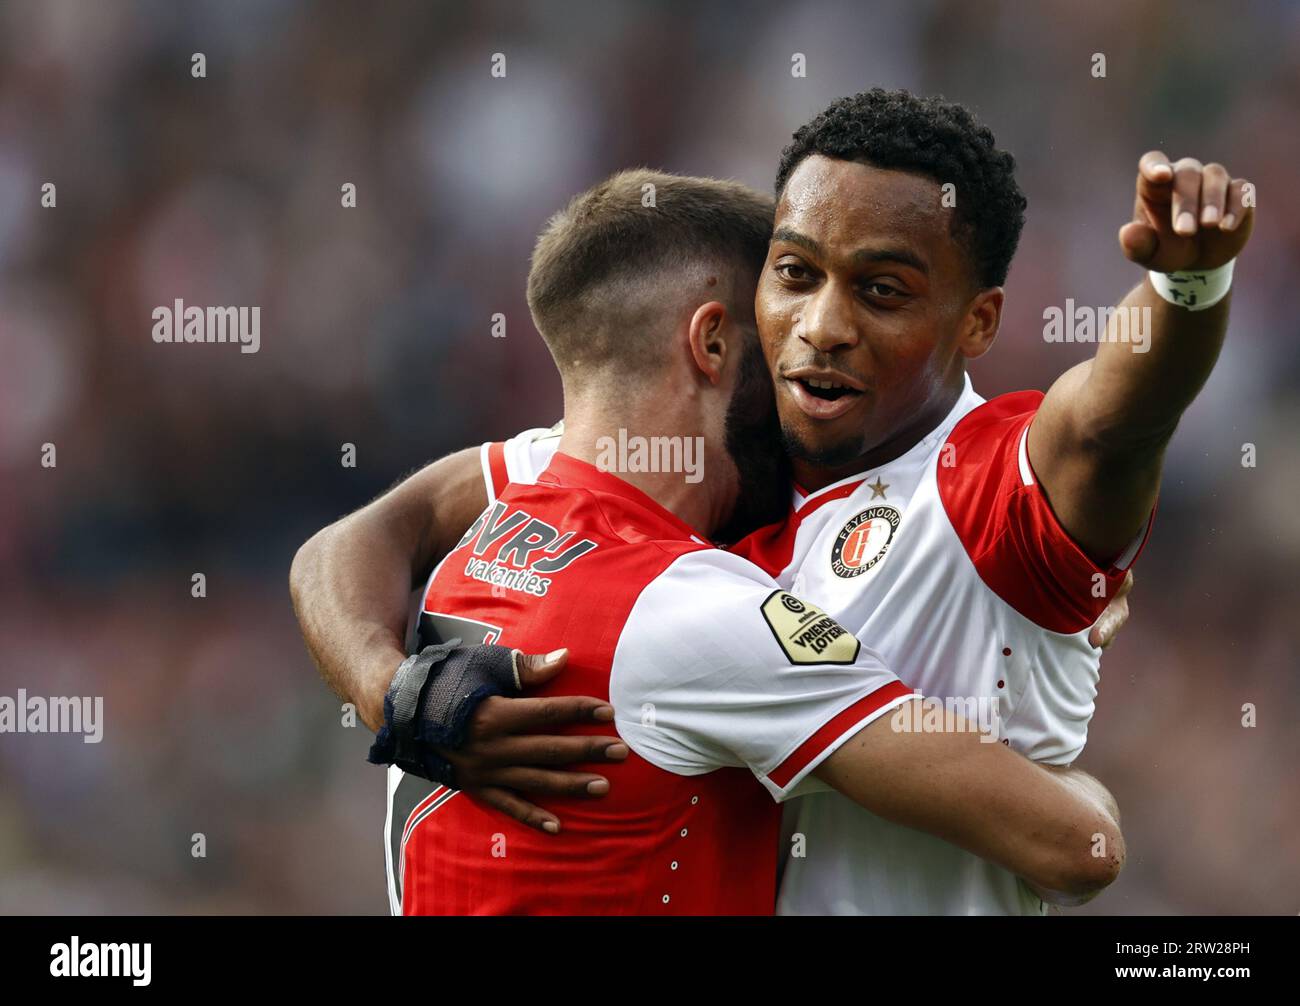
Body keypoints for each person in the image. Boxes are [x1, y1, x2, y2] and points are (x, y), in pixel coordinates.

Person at [294, 89, 1253, 913]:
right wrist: (397, 693)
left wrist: (1187, 287)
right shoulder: (704, 469)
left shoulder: (996, 485)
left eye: (881, 290)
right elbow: (364, 536)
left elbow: (1115, 417)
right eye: (795, 276)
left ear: (978, 320)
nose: (821, 327)